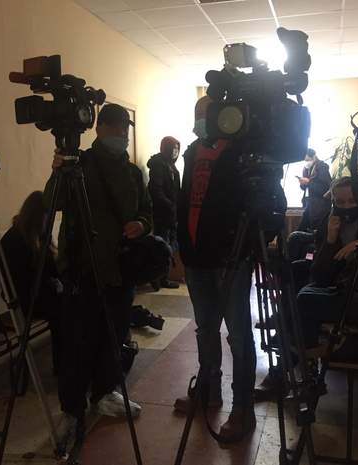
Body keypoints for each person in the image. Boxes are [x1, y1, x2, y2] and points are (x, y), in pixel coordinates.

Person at [47, 103, 152, 423]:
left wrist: (141, 225)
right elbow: (52, 202)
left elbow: (147, 212)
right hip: (83, 268)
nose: (122, 133)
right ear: (99, 128)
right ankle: (72, 406)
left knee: (114, 334)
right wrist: (58, 172)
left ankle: (106, 391)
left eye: (125, 127)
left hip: (121, 267)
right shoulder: (79, 164)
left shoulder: (133, 172)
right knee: (78, 340)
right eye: (116, 126)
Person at [174, 96, 256, 441]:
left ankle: (242, 408)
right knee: (205, 329)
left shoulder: (242, 152)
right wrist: (182, 247)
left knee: (238, 335)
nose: (200, 119)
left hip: (230, 259)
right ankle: (209, 391)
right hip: (196, 258)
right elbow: (184, 200)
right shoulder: (192, 152)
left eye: (206, 113)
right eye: (196, 113)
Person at [297, 175, 358, 349]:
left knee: (304, 299)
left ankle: (305, 351)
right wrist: (330, 241)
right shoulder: (330, 221)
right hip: (342, 286)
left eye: (352, 201)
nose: (346, 207)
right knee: (299, 275)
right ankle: (300, 348)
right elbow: (319, 275)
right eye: (340, 202)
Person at [1, 191, 62, 374]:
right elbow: (26, 281)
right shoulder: (16, 240)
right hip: (25, 300)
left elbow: (49, 270)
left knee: (74, 301)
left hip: (37, 294)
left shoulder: (36, 235)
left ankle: (67, 362)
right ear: (37, 216)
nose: (49, 222)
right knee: (68, 308)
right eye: (47, 216)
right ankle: (63, 364)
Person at [147, 136, 181, 289]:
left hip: (170, 213)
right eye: (173, 148)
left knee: (168, 246)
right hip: (162, 213)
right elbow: (156, 190)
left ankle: (162, 278)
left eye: (177, 148)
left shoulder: (170, 165)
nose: (175, 151)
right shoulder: (158, 165)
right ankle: (158, 279)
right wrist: (171, 206)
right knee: (162, 247)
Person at [297, 148, 331, 232]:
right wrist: (302, 183)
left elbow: (324, 188)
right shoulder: (307, 169)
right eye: (304, 160)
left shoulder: (322, 168)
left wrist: (308, 182)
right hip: (310, 203)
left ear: (314, 157)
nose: (306, 162)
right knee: (301, 230)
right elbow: (306, 188)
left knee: (314, 230)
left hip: (320, 206)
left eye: (307, 160)